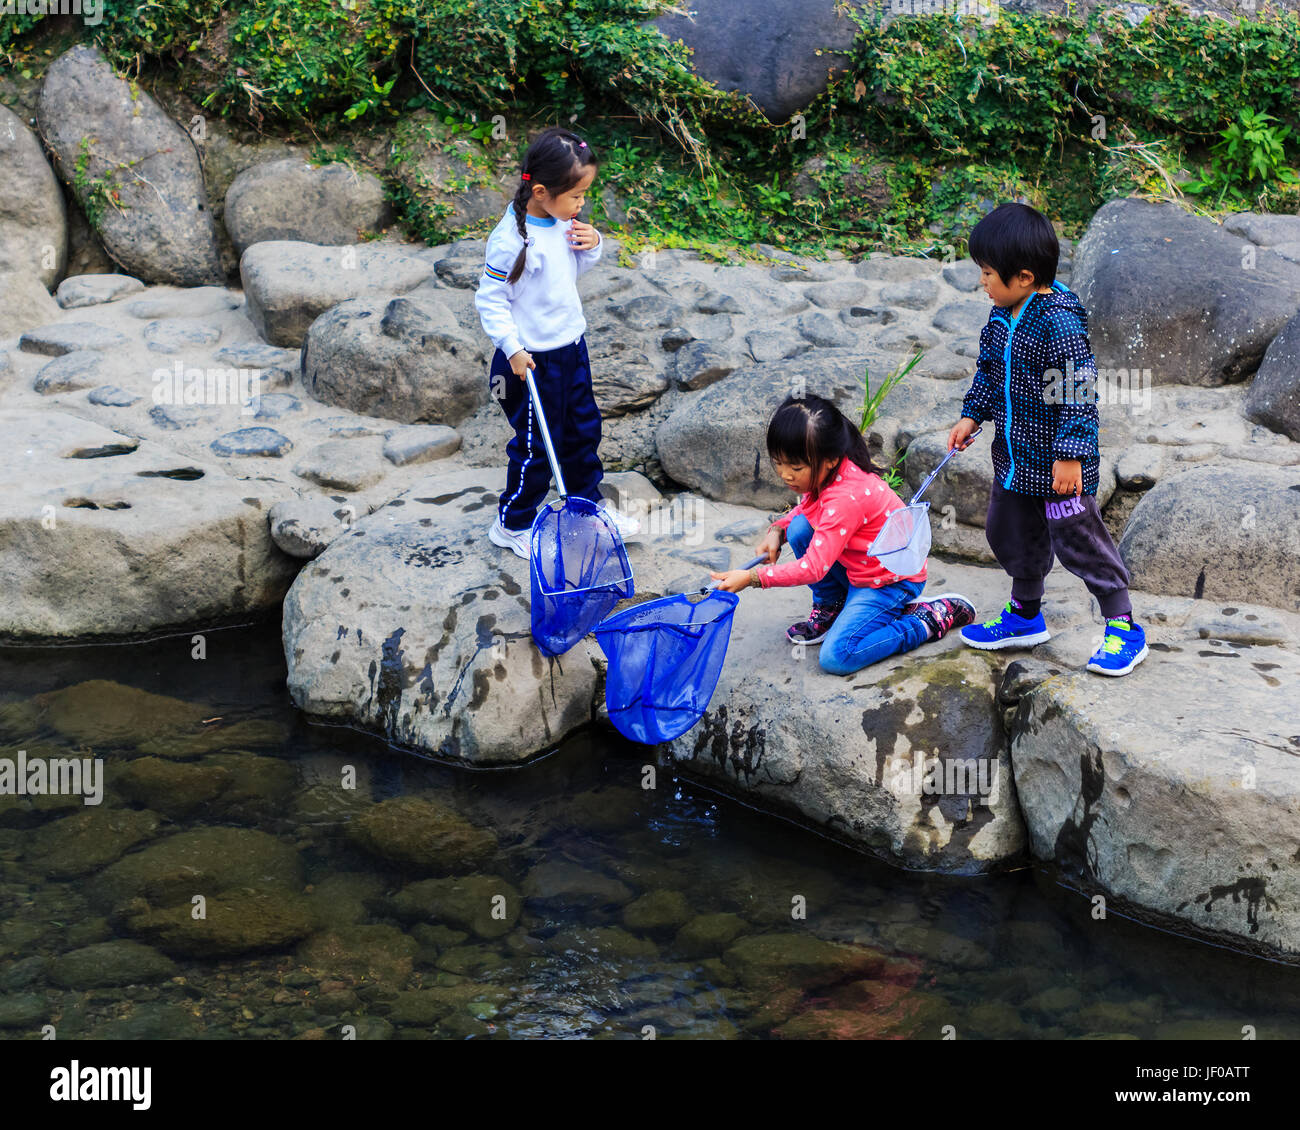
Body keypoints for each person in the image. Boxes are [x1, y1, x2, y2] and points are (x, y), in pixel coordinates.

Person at [948, 201, 1147, 675]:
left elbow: (1077, 392)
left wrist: (1072, 455)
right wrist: (972, 415)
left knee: (1080, 541)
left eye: (988, 273)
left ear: (1022, 276)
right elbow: (990, 373)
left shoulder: (1057, 320)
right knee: (1010, 532)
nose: (982, 281)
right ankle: (1024, 615)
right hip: (1015, 462)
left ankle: (1123, 627)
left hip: (1061, 469)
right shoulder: (1001, 316)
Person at [709, 395, 976, 676]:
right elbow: (808, 508)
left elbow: (813, 568)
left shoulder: (846, 497)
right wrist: (779, 529)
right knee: (799, 528)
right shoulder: (829, 471)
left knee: (838, 656)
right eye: (779, 463)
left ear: (830, 459)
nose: (786, 475)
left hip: (888, 583)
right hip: (858, 568)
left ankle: (927, 619)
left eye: (796, 467)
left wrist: (752, 578)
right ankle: (833, 606)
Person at [474, 126, 639, 558]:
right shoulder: (511, 240)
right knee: (536, 447)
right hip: (526, 362)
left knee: (581, 432)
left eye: (585, 195)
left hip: (570, 348)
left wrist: (594, 243)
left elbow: (567, 277)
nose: (582, 205)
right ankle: (513, 523)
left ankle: (587, 509)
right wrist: (511, 348)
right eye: (577, 196)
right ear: (542, 191)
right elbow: (490, 299)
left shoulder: (564, 223)